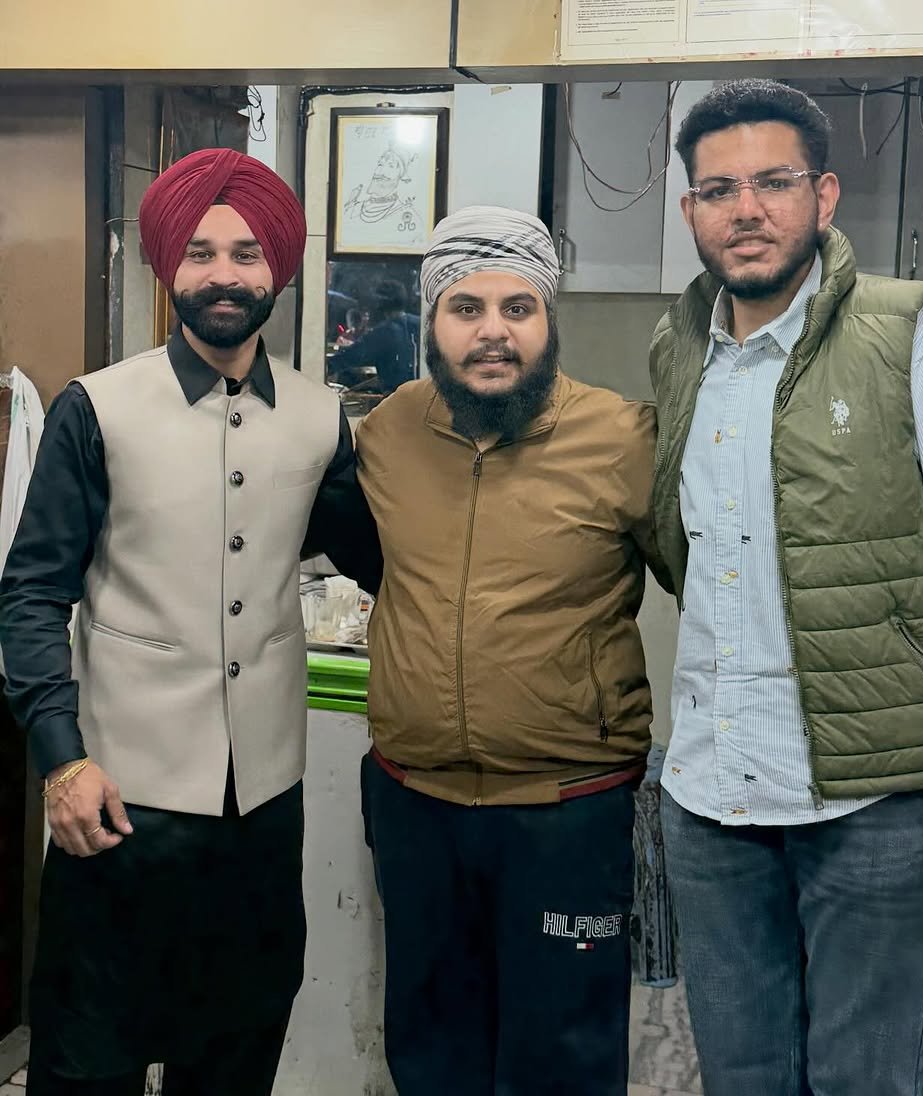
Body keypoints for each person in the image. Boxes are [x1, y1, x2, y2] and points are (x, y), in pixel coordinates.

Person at [649, 79, 923, 1096]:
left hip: (878, 808)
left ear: (824, 197)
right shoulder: (678, 354)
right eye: (719, 189)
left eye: (774, 182)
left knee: (865, 1081)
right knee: (741, 1080)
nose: (746, 209)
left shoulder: (912, 338)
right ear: (690, 210)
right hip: (711, 800)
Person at [0, 148, 381, 1096]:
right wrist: (62, 759)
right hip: (118, 804)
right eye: (203, 252)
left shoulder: (321, 417)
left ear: (277, 270)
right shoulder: (98, 408)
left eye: (248, 253)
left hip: (260, 816)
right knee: (90, 1061)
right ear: (168, 265)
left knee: (237, 1053)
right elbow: (32, 593)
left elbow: (384, 562)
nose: (224, 274)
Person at [355, 205, 666, 1095]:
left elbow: (717, 583)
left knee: (563, 1060)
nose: (493, 332)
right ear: (430, 325)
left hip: (568, 810)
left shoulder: (623, 438)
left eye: (518, 308)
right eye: (466, 309)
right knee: (429, 1053)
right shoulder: (385, 435)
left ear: (549, 320)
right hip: (416, 807)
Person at [328, 277, 419, 393]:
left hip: (396, 400)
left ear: (379, 304)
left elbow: (352, 355)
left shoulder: (384, 333)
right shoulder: (420, 324)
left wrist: (327, 366)